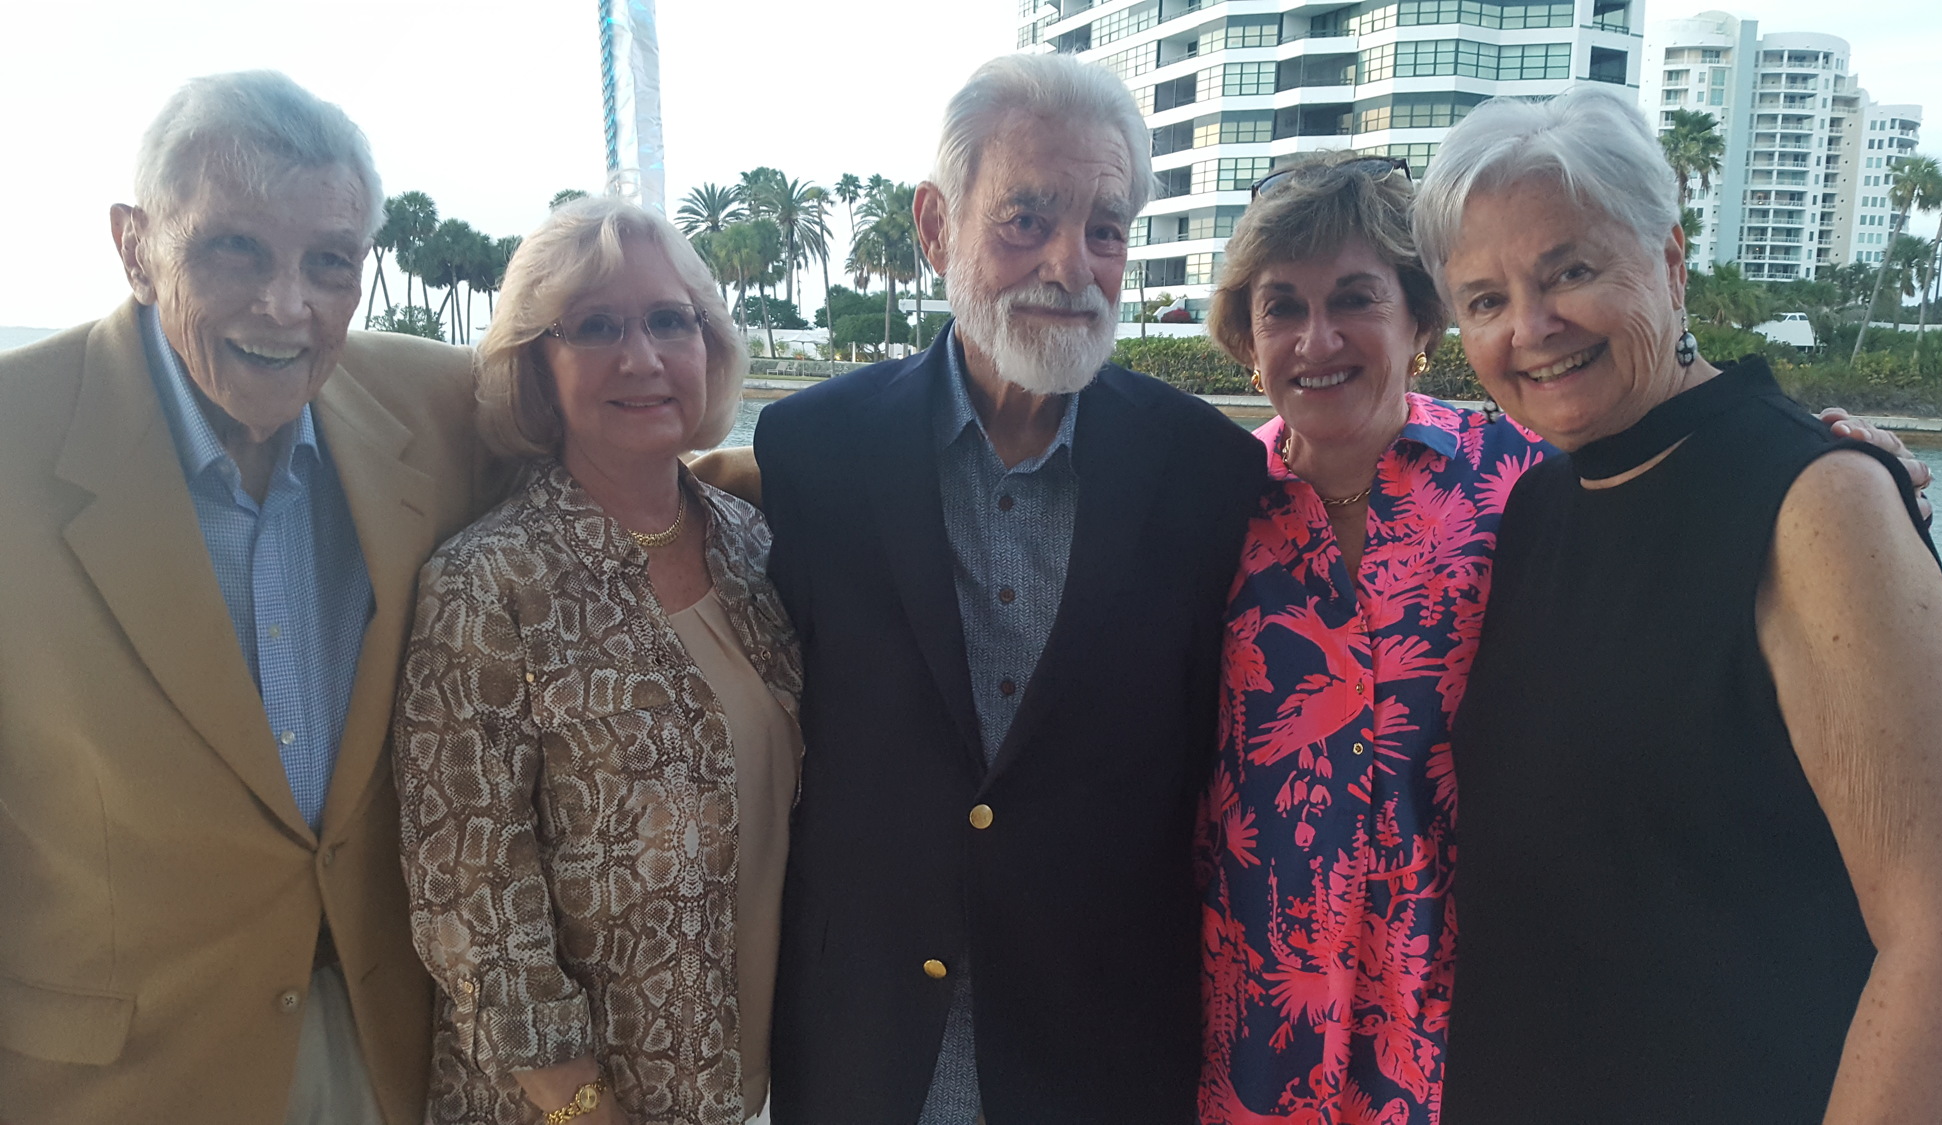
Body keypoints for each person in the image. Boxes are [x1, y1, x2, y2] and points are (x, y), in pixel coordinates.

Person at [696, 52, 1267, 1124]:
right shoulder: (811, 450)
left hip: (1100, 1040)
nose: (1070, 263)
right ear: (933, 228)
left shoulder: (1208, 475)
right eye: (1025, 218)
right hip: (866, 1032)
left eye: (1104, 226)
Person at [1412, 87, 1942, 1122]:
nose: (1531, 328)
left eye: (1571, 272)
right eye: (1485, 299)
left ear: (1670, 262)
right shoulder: (1541, 504)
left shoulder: (1818, 501)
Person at [0, 72, 488, 1123]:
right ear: (135, 246)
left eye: (329, 261)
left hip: (385, 1045)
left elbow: (638, 464)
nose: (286, 305)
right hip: (116, 1076)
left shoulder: (435, 405)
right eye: (234, 250)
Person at [393, 197, 801, 1125]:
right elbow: (469, 895)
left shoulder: (754, 545)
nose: (643, 357)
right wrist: (579, 1105)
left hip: (750, 1082)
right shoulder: (488, 582)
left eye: (669, 320)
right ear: (538, 365)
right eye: (596, 327)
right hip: (577, 1106)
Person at [1194, 153, 1551, 1125]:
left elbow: (1680, 525)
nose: (1315, 340)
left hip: (1460, 1003)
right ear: (1246, 336)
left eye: (1352, 299)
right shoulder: (1201, 502)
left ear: (1419, 319)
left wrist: (1822, 456)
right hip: (1252, 1007)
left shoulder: (1521, 482)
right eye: (1281, 308)